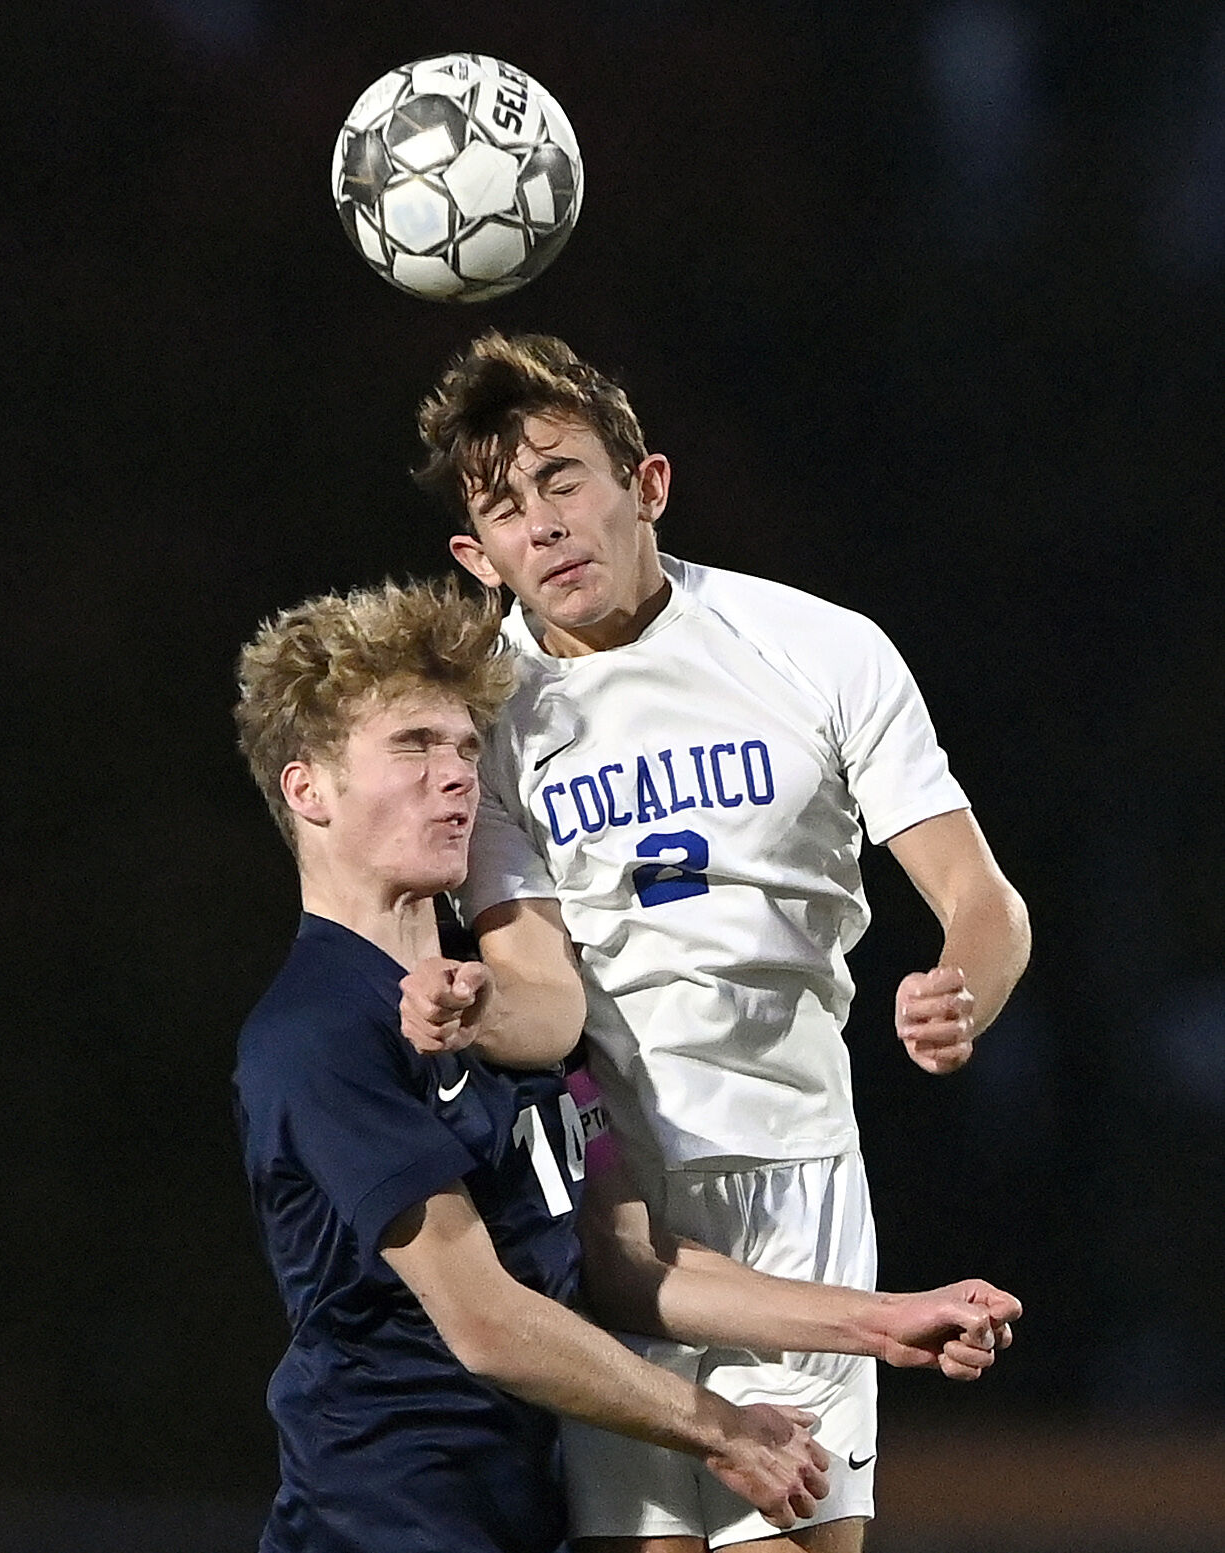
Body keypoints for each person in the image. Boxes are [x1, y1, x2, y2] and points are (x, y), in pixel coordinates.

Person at [231, 577, 1020, 1553]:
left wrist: (877, 1319)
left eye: (467, 747)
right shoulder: (318, 1031)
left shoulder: (511, 1016)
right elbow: (483, 1317)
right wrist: (721, 1425)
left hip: (532, 1516)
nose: (456, 776)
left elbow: (623, 1266)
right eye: (413, 745)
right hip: (385, 1525)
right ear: (307, 787)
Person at [403, 332, 1034, 1553]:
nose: (543, 525)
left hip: (790, 1177)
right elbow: (539, 984)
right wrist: (476, 1006)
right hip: (605, 1201)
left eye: (562, 478)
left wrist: (964, 986)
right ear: (476, 557)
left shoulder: (816, 647)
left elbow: (981, 897)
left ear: (646, 485)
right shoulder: (484, 725)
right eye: (505, 507)